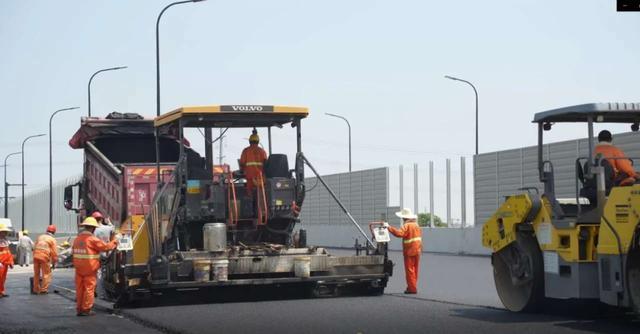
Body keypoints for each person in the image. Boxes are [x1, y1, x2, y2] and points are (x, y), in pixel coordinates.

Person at [72, 217, 118, 316]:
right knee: (89, 289)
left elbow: (73, 252)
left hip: (78, 268)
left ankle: (79, 309)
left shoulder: (77, 239)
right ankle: (86, 309)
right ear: (93, 228)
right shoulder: (92, 239)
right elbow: (106, 248)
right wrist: (114, 241)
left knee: (80, 289)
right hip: (89, 268)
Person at [384, 208, 422, 294]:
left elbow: (399, 234)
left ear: (404, 217)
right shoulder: (416, 225)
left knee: (409, 270)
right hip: (418, 250)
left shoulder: (407, 226)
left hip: (409, 251)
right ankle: (413, 286)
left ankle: (412, 289)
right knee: (415, 270)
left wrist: (389, 227)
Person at [92, 211, 114, 298]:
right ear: (101, 219)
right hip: (106, 253)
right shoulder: (107, 228)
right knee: (104, 273)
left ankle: (97, 292)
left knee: (97, 274)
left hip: (96, 254)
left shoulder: (93, 230)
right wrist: (109, 222)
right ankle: (104, 294)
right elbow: (113, 228)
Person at [239, 129, 268, 195]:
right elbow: (266, 163)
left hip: (250, 176)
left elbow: (242, 163)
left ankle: (250, 204)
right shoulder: (262, 151)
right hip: (260, 177)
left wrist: (241, 170)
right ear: (258, 141)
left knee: (250, 194)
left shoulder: (246, 151)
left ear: (250, 141)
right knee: (260, 194)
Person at [33, 225, 58, 294]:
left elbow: (34, 247)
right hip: (44, 257)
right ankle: (43, 289)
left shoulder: (40, 237)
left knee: (36, 273)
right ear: (54, 232)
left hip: (36, 256)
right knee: (46, 273)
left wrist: (34, 256)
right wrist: (54, 263)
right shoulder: (52, 239)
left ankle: (35, 289)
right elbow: (54, 253)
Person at [0, 223, 14, 298]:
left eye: (5, 231)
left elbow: (8, 252)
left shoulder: (5, 241)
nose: (5, 233)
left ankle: (1, 292)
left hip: (5, 264)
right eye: (3, 231)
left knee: (2, 278)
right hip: (0, 263)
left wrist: (11, 262)